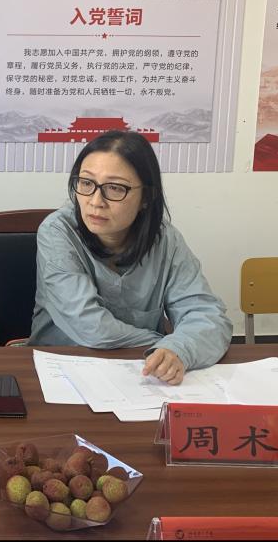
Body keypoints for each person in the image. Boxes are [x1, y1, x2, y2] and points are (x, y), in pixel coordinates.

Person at [28, 130, 232, 384]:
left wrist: (178, 350)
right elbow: (90, 326)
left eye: (115, 188)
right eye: (86, 183)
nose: (95, 201)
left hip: (142, 375)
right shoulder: (58, 232)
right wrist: (162, 342)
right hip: (61, 369)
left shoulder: (165, 240)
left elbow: (208, 316)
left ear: (146, 197)